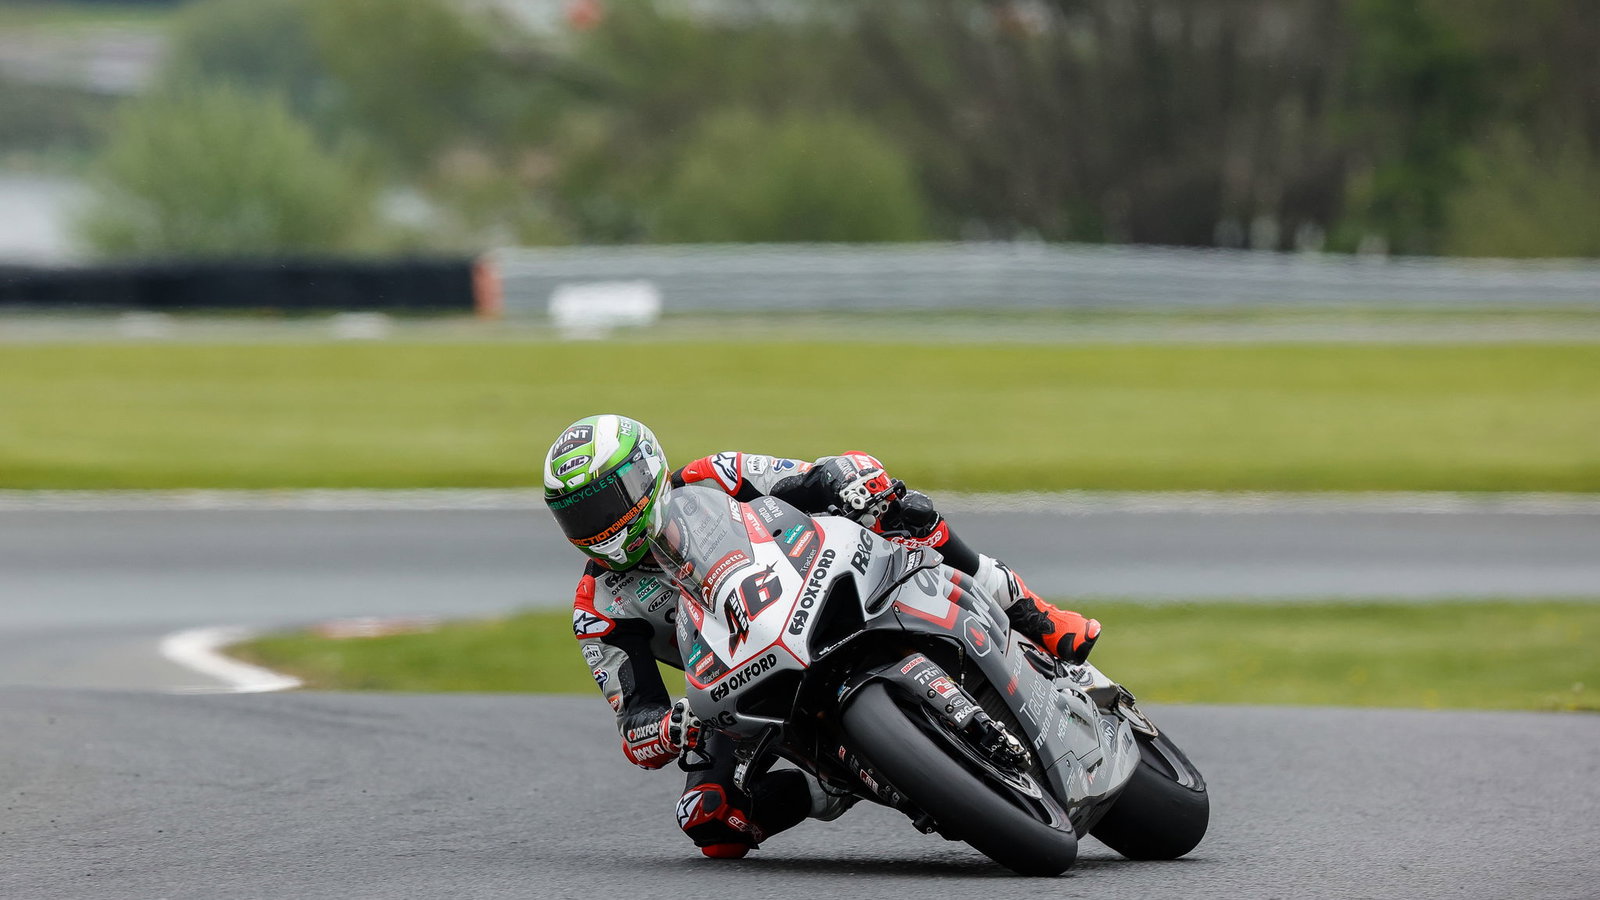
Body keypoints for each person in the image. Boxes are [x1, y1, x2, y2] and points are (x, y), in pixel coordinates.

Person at [543, 413, 1100, 859]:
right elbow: (635, 724)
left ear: (645, 473)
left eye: (604, 503)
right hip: (734, 679)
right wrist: (672, 728)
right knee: (710, 820)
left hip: (808, 584)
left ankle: (1035, 615)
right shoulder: (599, 606)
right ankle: (835, 786)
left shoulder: (713, 475)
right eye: (577, 517)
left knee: (907, 512)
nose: (597, 525)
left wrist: (852, 482)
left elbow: (811, 478)